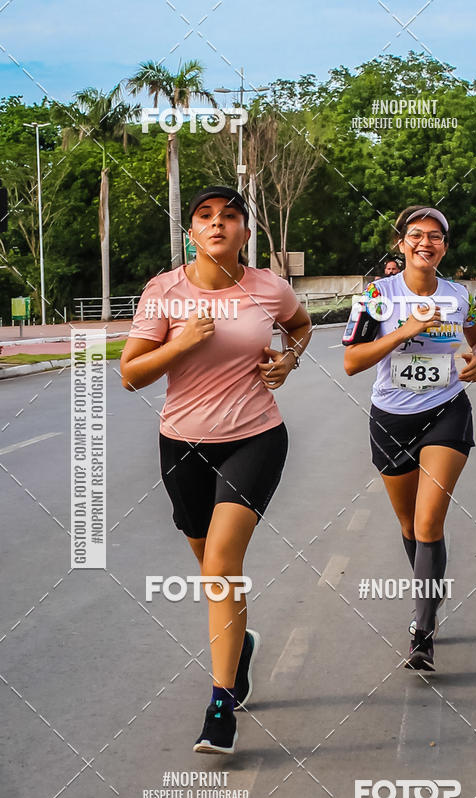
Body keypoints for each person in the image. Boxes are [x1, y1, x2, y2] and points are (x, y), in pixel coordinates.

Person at [120, 186, 312, 753]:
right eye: (205, 217)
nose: (217, 224)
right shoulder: (165, 292)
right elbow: (131, 375)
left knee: (224, 565)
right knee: (212, 573)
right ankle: (241, 644)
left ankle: (221, 705)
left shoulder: (268, 288)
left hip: (255, 438)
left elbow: (300, 329)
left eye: (230, 216)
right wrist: (180, 343)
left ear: (246, 233)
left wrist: (288, 359)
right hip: (182, 446)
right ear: (192, 232)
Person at [343, 205, 476, 671]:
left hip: (447, 412)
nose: (425, 242)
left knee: (429, 524)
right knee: (409, 526)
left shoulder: (457, 296)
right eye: (415, 235)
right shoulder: (376, 295)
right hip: (391, 417)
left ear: (444, 246)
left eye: (435, 236)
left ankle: (422, 633)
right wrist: (404, 331)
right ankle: (429, 586)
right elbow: (352, 362)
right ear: (400, 244)